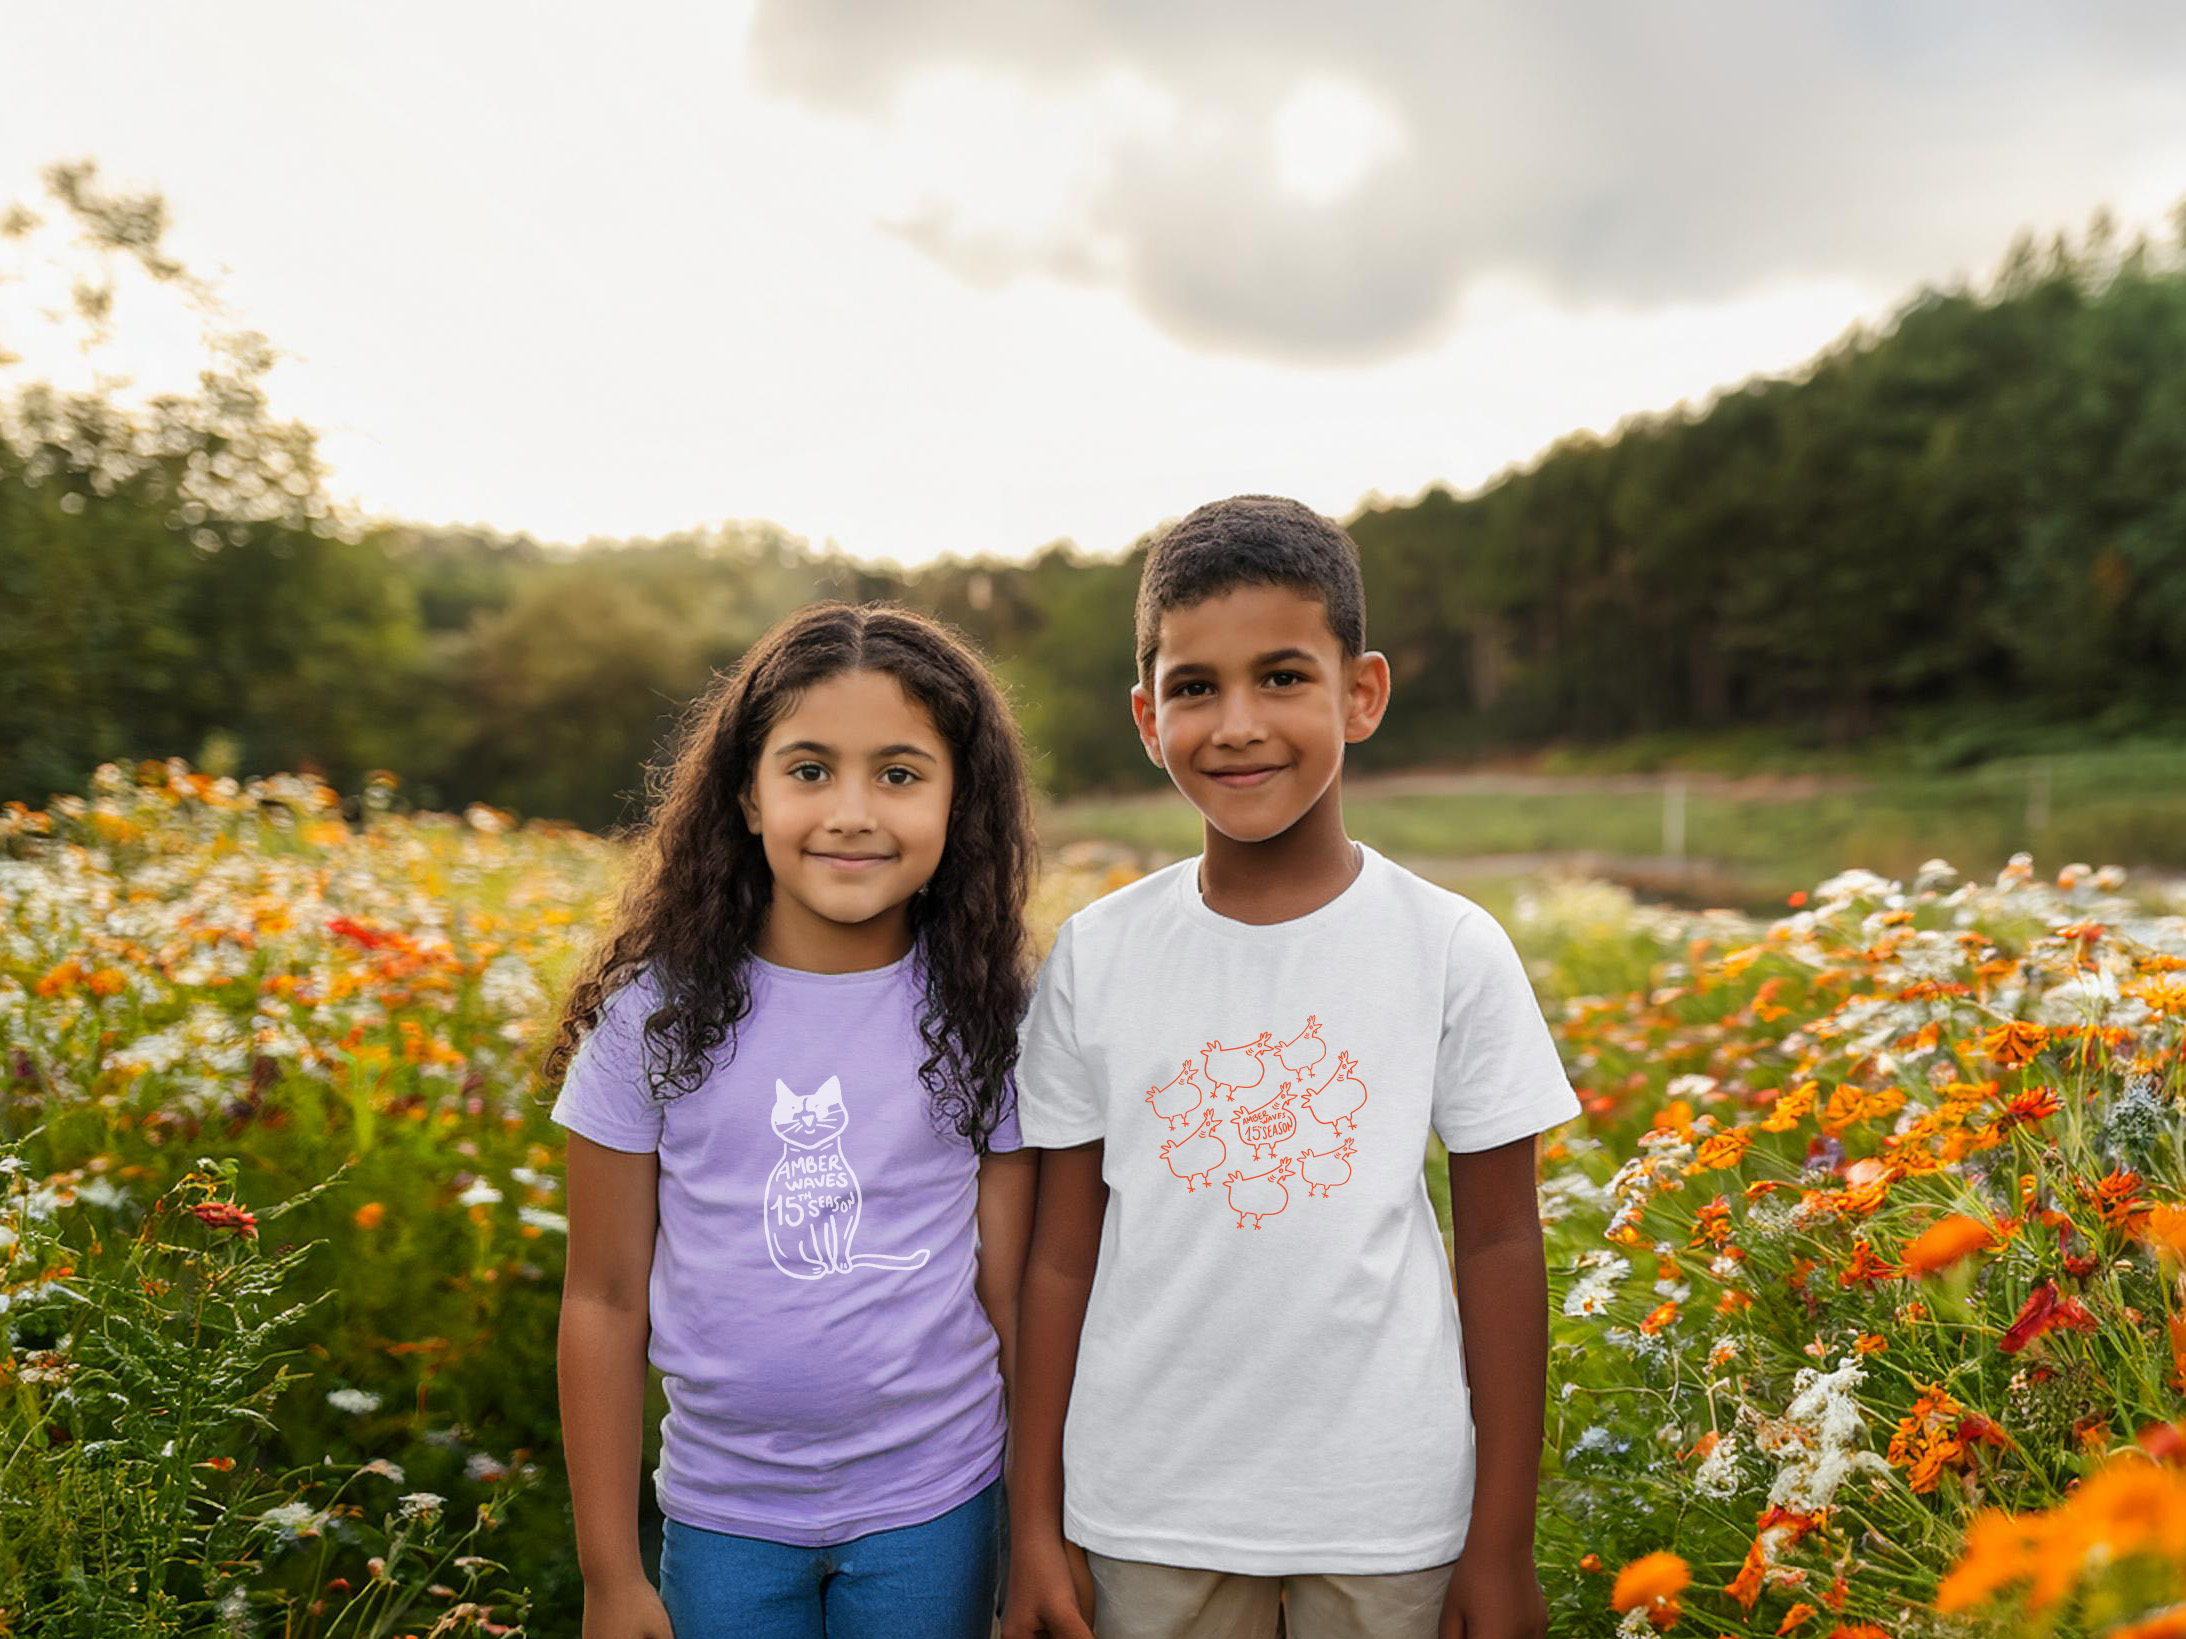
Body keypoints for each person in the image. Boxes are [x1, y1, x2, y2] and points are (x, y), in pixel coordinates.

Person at [1001, 496, 1581, 1639]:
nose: (1235, 725)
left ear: (1358, 693)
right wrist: (1035, 1523)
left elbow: (1504, 1244)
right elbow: (1057, 1260)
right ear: (1144, 714)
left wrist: (1499, 1544)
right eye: (1193, 687)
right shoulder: (1097, 954)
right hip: (1144, 1508)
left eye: (1280, 677)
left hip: (1388, 1511)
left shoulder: (1448, 945)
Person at [548, 602, 1039, 1639]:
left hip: (938, 1502)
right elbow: (599, 1298)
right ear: (744, 792)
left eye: (899, 774)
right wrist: (608, 1572)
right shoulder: (653, 1017)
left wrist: (1038, 1532)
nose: (852, 811)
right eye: (809, 769)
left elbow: (1011, 1294)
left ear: (961, 801)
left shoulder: (990, 1015)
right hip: (723, 1514)